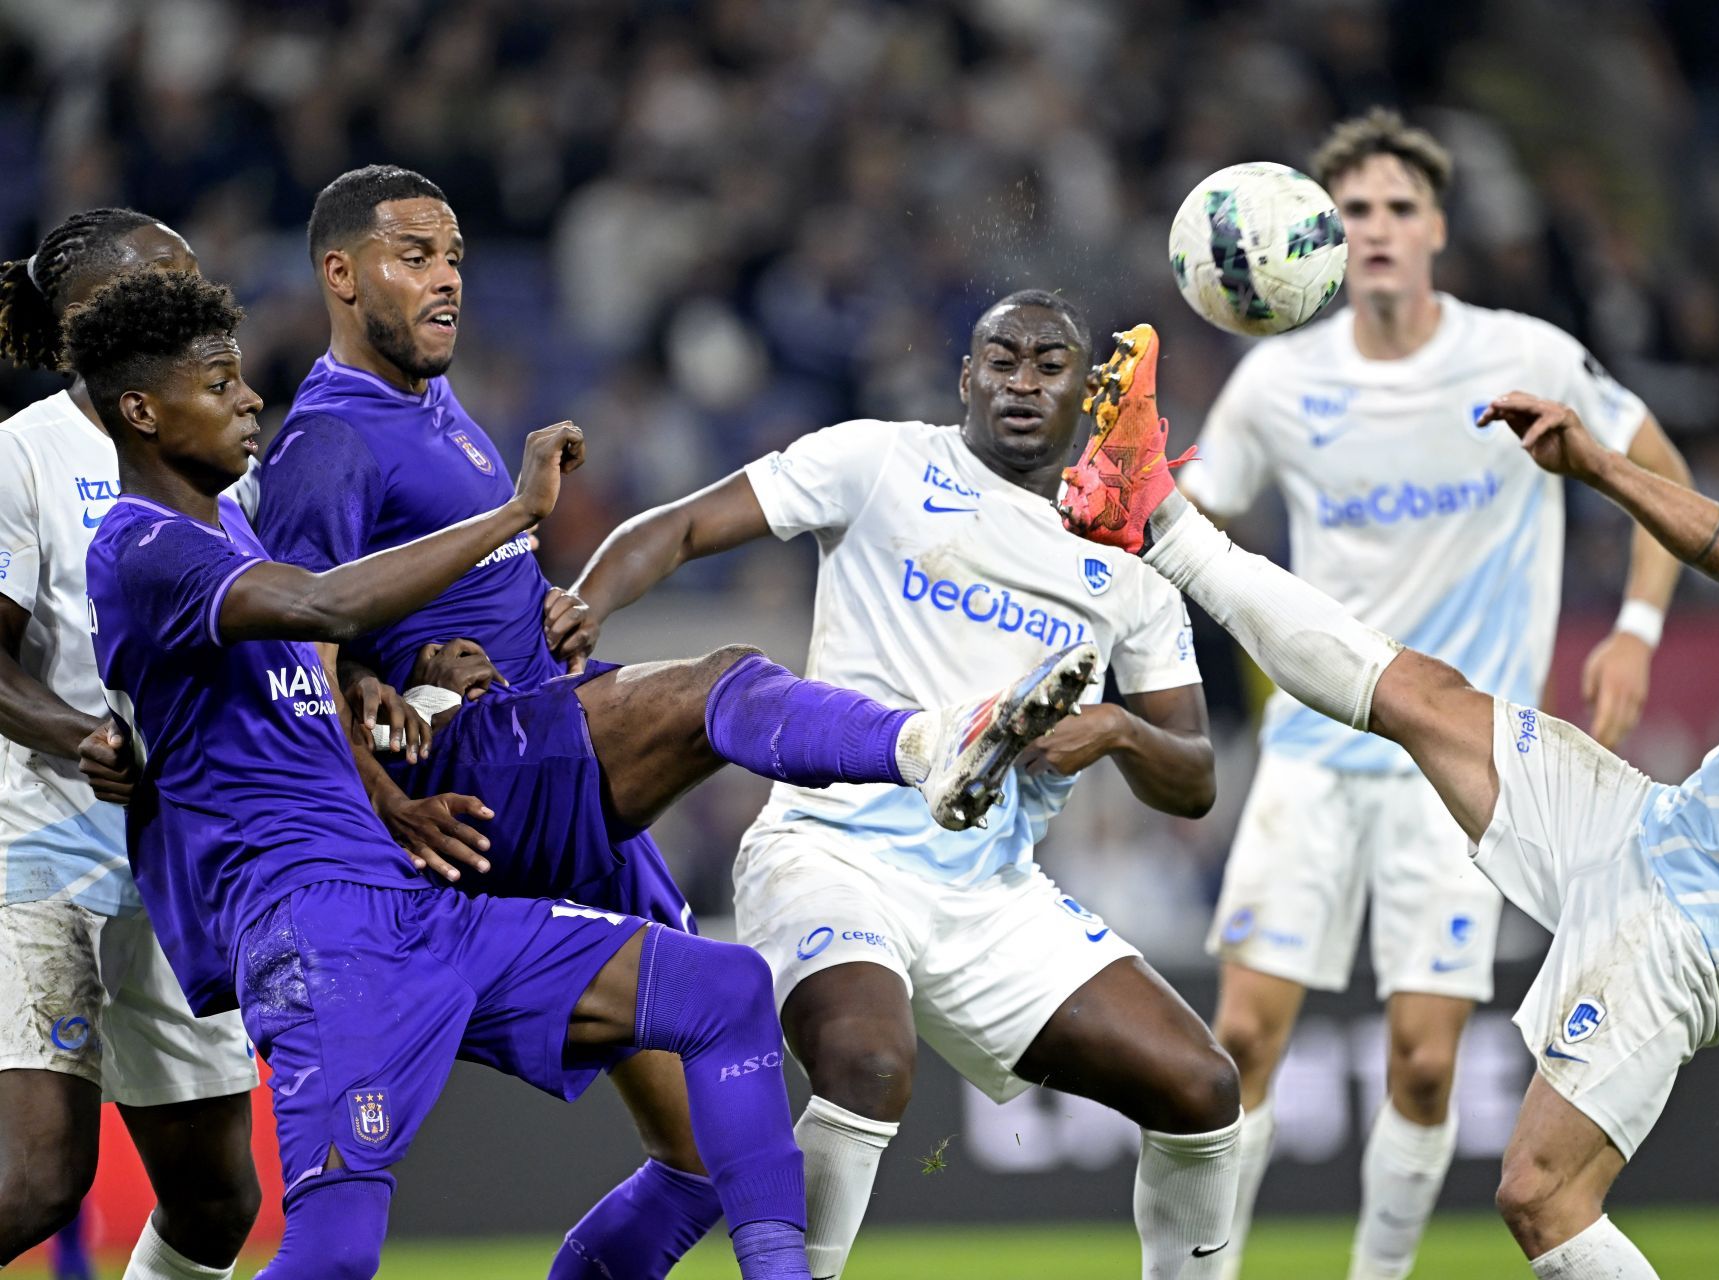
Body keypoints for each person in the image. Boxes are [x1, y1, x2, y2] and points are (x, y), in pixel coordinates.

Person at [250, 164, 1090, 1278]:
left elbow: (389, 611)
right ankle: (929, 744)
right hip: (481, 775)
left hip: (542, 757)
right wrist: (386, 766)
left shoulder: (428, 404)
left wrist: (497, 621)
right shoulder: (330, 437)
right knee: (718, 686)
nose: (448, 279)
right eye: (415, 257)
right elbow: (295, 640)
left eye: (455, 255)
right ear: (341, 274)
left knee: (702, 1146)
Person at [1062, 325, 1719, 1279]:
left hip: (1696, 920)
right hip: (1655, 832)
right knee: (1420, 697)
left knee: (1541, 1196)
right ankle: (1158, 519)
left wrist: (1595, 465)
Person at [70, 266, 823, 1279]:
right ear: (141, 409)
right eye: (218, 382)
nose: (250, 396)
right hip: (316, 928)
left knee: (726, 988)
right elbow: (324, 606)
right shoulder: (141, 547)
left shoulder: (227, 528)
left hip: (413, 901)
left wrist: (402, 669)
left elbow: (315, 657)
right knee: (335, 1257)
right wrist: (515, 513)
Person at [573, 291, 1246, 1279]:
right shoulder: (879, 460)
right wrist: (579, 608)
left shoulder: (1129, 563)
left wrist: (1112, 730)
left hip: (987, 890)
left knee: (1201, 1086)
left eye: (1049, 363)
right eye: (1001, 359)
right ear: (964, 378)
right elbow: (675, 530)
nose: (1022, 380)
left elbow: (1193, 777)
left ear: (1087, 393)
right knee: (868, 1062)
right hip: (831, 847)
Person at [1174, 109, 1693, 1280]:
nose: (1379, 229)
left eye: (1400, 208)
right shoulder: (1277, 379)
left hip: (1453, 768)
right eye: (1354, 210)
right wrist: (1139, 489)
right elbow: (1197, 514)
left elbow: (1655, 467)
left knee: (1420, 1063)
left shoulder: (1525, 354)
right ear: (1320, 233)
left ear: (1438, 228)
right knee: (1241, 1038)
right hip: (1310, 750)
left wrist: (1637, 628)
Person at [0, 210, 261, 1279]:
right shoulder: (24, 456)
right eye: (163, 283)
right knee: (38, 1178)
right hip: (46, 851)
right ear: (85, 322)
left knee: (217, 1197)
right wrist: (77, 735)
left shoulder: (223, 451)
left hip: (179, 862)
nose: (190, 301)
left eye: (193, 281)